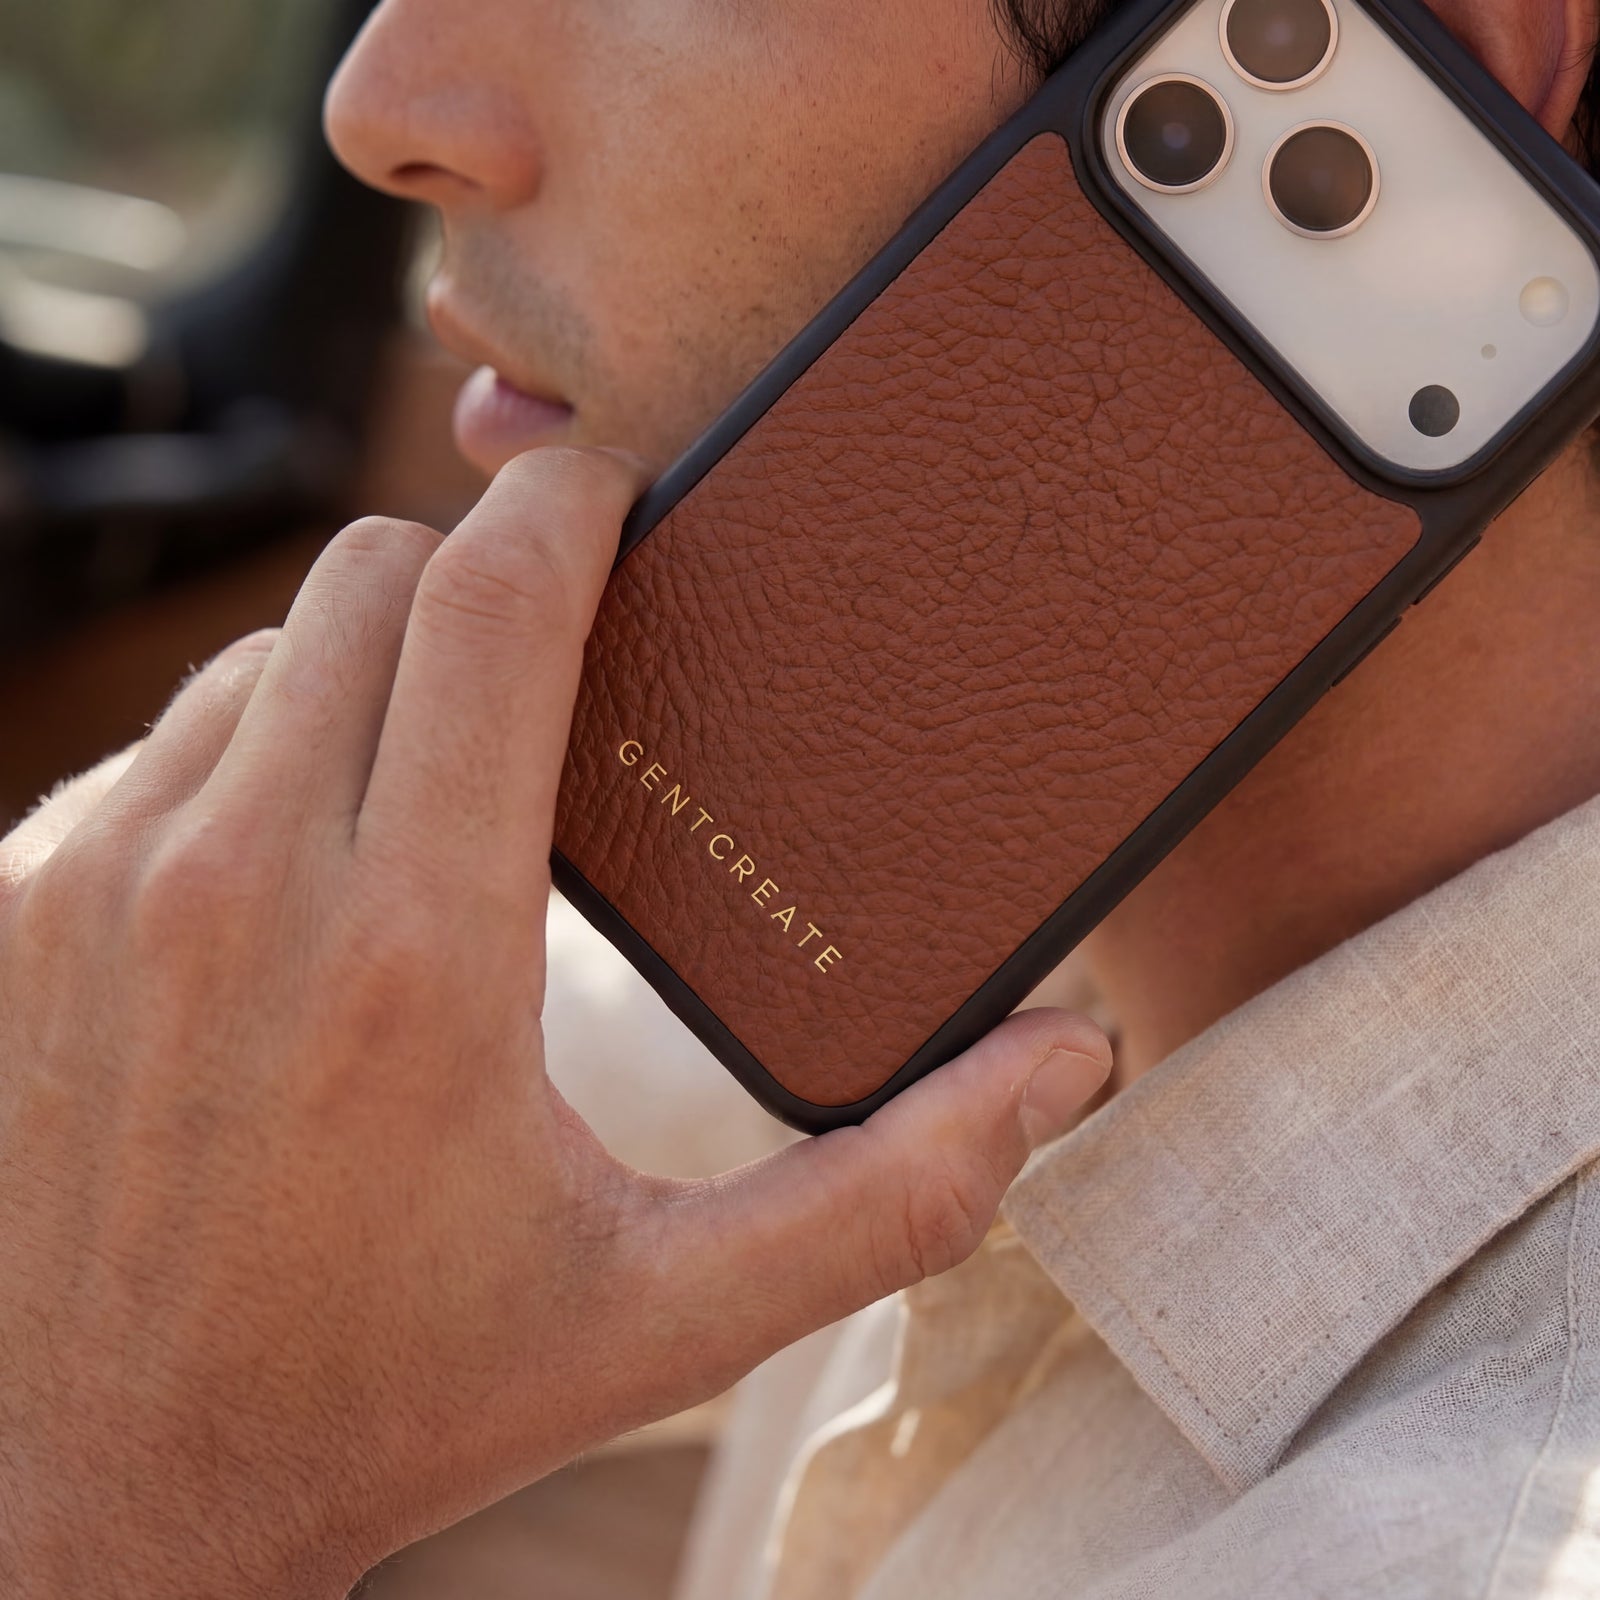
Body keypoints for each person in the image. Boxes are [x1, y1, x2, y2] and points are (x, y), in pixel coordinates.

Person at [2, 0, 1597, 1594]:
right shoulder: (963, 879)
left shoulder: (1458, 1545)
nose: (382, 102)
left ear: (1434, 51)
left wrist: (113, 1503)